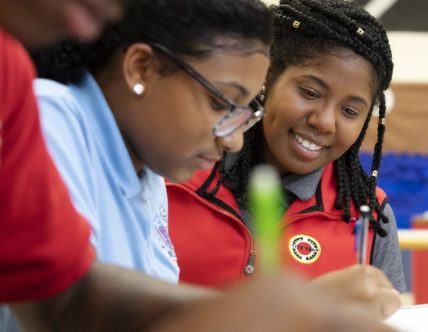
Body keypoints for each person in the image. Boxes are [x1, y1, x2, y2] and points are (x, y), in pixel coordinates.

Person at [25, 0, 399, 330]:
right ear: (141, 68)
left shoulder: (151, 167)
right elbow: (63, 300)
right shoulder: (51, 121)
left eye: (350, 111)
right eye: (223, 103)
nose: (234, 139)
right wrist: (272, 313)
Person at [167, 0, 406, 296]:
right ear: (267, 77)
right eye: (310, 93)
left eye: (350, 111)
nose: (325, 122)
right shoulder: (173, 173)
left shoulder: (368, 215)